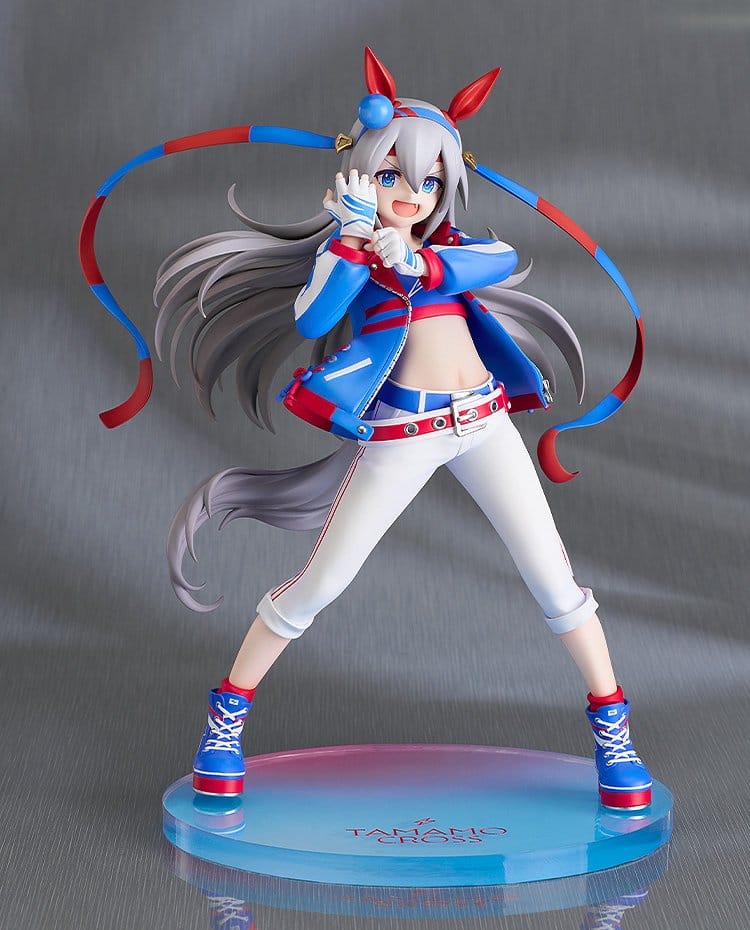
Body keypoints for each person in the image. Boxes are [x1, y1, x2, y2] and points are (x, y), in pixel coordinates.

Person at [143, 49, 653, 809]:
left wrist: (416, 261)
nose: (412, 194)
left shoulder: (449, 250)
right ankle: (225, 725)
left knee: (557, 584)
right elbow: (312, 318)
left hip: (485, 423)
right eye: (392, 176)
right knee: (321, 583)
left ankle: (615, 738)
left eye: (430, 181)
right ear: (360, 175)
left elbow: (502, 256)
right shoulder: (348, 253)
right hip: (402, 433)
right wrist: (353, 246)